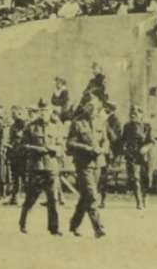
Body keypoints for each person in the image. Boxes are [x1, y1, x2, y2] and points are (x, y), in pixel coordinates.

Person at [18, 100, 62, 236]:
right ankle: (23, 223)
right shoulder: (30, 127)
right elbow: (23, 146)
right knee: (31, 197)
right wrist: (37, 149)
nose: (43, 113)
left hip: (50, 167)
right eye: (41, 110)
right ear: (38, 112)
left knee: (53, 198)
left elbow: (61, 145)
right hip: (36, 167)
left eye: (46, 110)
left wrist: (56, 149)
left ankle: (54, 228)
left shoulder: (56, 127)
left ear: (50, 112)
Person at [65, 103, 106, 238]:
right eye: (90, 106)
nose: (93, 109)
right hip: (83, 164)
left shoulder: (101, 121)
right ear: (85, 107)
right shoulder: (77, 123)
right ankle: (98, 228)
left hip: (98, 163)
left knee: (85, 197)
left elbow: (106, 141)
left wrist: (103, 148)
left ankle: (74, 224)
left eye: (96, 107)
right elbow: (70, 143)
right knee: (92, 196)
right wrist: (87, 148)